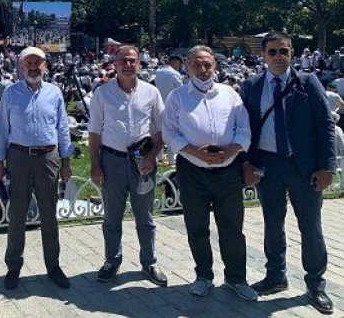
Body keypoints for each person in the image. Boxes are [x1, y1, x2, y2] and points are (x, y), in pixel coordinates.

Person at [241, 32, 336, 314]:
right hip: (268, 167)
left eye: (283, 51)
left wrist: (327, 167)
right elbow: (245, 129)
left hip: (303, 166)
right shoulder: (252, 86)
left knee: (311, 227)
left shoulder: (307, 82)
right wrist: (247, 163)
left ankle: (316, 284)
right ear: (263, 55)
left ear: (292, 53)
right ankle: (275, 276)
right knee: (273, 224)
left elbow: (325, 125)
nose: (278, 56)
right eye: (272, 52)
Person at [162, 45, 256, 301]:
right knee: (197, 226)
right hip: (193, 169)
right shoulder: (177, 97)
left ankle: (236, 278)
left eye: (207, 65)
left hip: (228, 169)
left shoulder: (229, 94)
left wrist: (232, 150)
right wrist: (194, 151)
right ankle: (204, 275)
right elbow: (169, 132)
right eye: (197, 64)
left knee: (232, 228)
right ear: (188, 65)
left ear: (215, 65)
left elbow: (243, 128)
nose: (203, 70)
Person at [0, 46, 73, 290]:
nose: (34, 68)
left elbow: (63, 129)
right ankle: (13, 266)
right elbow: (1, 130)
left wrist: (66, 162)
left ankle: (53, 266)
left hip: (48, 157)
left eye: (38, 63)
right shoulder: (11, 93)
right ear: (21, 67)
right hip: (19, 157)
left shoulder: (54, 93)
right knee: (17, 214)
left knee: (49, 214)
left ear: (45, 66)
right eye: (29, 63)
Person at [87, 45, 168, 286]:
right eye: (123, 60)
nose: (128, 64)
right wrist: (95, 164)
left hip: (142, 161)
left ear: (139, 64)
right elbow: (94, 131)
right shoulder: (103, 93)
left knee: (145, 216)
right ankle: (112, 260)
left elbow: (161, 129)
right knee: (112, 216)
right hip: (112, 160)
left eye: (132, 60)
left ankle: (149, 262)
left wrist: (152, 156)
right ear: (114, 63)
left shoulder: (151, 93)